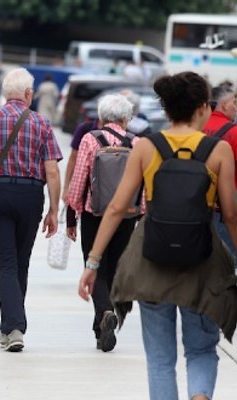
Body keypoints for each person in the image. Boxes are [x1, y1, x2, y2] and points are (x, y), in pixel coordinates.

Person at [78, 71, 237, 400]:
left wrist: (93, 263)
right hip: (202, 262)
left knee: (161, 359)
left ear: (166, 110)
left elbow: (117, 208)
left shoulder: (147, 147)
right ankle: (200, 396)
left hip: (152, 261)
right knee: (201, 350)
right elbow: (232, 214)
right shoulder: (218, 150)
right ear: (202, 109)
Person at [0, 68, 63, 352]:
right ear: (29, 94)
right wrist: (54, 209)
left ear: (6, 93)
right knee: (21, 262)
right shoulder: (41, 122)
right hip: (31, 195)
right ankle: (12, 327)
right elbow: (52, 170)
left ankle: (12, 327)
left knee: (5, 263)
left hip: (0, 193)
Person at [66, 94, 141, 352]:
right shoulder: (137, 142)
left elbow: (78, 181)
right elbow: (143, 185)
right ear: (125, 118)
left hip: (93, 214)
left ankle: (105, 313)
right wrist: (140, 212)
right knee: (113, 268)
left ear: (101, 117)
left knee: (94, 265)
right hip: (126, 215)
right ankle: (103, 326)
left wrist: (71, 214)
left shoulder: (90, 139)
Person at [202, 85, 237, 269]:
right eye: (234, 102)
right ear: (223, 105)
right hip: (224, 208)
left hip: (195, 206)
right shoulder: (233, 132)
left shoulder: (197, 128)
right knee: (228, 262)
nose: (235, 106)